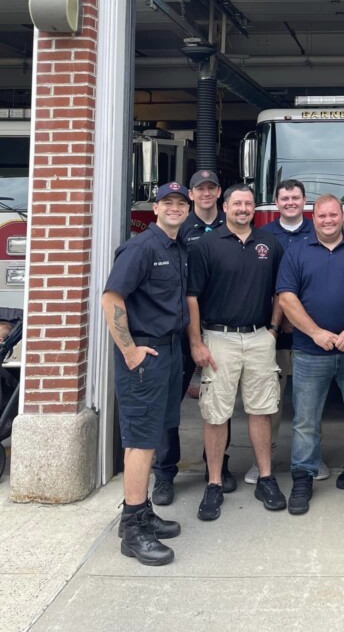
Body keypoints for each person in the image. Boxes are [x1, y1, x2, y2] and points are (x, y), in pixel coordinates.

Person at [276, 195, 344, 515]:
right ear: (314, 217)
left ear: (342, 216)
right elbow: (286, 299)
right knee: (305, 420)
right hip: (310, 352)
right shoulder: (296, 252)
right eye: (322, 215)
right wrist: (315, 333)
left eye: (333, 215)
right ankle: (303, 476)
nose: (328, 220)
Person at [101, 182, 190, 566]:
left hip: (169, 351)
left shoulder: (178, 246)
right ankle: (132, 529)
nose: (174, 207)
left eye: (180, 203)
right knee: (140, 439)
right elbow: (112, 297)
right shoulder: (141, 247)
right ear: (155, 208)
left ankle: (142, 508)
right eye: (167, 202)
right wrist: (129, 350)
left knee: (154, 435)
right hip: (145, 355)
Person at [187, 184, 286, 521]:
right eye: (237, 203)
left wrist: (272, 329)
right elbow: (192, 298)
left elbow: (280, 291)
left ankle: (266, 477)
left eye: (248, 204)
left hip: (259, 337)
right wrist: (196, 342)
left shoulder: (269, 243)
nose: (243, 208)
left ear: (254, 208)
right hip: (219, 338)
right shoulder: (205, 245)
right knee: (216, 413)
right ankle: (214, 483)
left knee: (262, 410)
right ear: (225, 206)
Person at [152, 169, 228, 507]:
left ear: (219, 192)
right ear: (192, 195)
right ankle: (165, 474)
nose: (207, 193)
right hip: (181, 329)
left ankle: (218, 467)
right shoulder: (177, 229)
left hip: (221, 327)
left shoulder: (234, 225)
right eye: (201, 189)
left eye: (212, 187)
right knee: (170, 403)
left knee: (220, 405)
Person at [253, 177, 327, 483]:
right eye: (284, 198)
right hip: (277, 332)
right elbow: (263, 283)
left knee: (309, 401)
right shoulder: (264, 236)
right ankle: (264, 459)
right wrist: (275, 322)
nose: (290, 203)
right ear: (276, 202)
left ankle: (311, 459)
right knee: (271, 398)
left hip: (312, 331)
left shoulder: (319, 231)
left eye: (295, 198)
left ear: (304, 200)